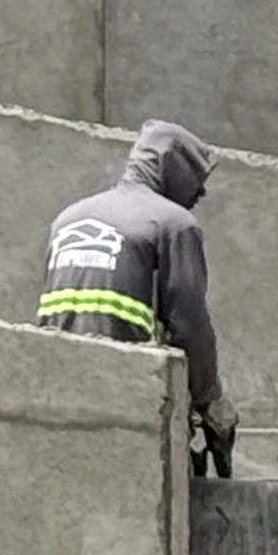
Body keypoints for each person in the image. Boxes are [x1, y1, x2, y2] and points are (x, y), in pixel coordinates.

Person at [39, 120, 236, 476]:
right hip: (129, 403)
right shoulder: (174, 224)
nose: (201, 192)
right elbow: (190, 327)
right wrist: (210, 402)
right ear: (172, 168)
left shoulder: (66, 219)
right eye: (196, 177)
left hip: (54, 397)